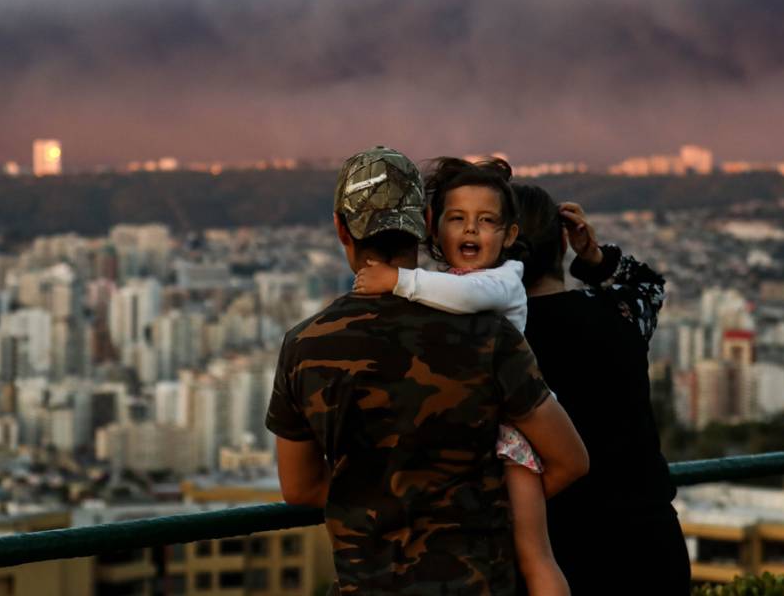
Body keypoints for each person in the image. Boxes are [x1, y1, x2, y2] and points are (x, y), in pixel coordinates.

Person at [266, 146, 588, 595]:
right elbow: (570, 460)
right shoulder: (487, 334)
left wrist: (390, 502)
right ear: (426, 224)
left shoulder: (305, 346)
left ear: (341, 227)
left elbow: (300, 489)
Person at [353, 157, 568, 596]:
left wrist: (398, 279)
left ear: (509, 236)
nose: (470, 230)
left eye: (486, 221)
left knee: (534, 555)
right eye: (457, 219)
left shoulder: (504, 279)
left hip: (513, 437)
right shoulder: (440, 283)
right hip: (470, 436)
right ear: (434, 231)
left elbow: (468, 296)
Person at [513, 185, 691, 595]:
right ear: (561, 240)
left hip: (554, 550)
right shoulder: (619, 313)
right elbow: (649, 286)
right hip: (648, 544)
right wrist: (593, 256)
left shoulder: (495, 337)